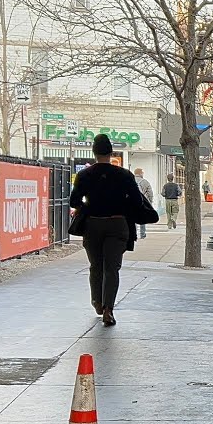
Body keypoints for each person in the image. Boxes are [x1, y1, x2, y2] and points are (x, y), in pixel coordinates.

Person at [69, 134, 140, 327]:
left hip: (92, 224)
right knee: (112, 268)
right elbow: (137, 201)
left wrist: (89, 205)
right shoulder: (125, 175)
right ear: (111, 152)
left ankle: (97, 302)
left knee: (96, 265)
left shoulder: (85, 175)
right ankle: (108, 309)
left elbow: (74, 201)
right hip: (118, 225)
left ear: (94, 152)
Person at [133, 168, 154, 239]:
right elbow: (150, 193)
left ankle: (134, 234)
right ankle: (142, 234)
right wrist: (150, 202)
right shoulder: (145, 182)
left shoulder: (129, 180)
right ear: (140, 173)